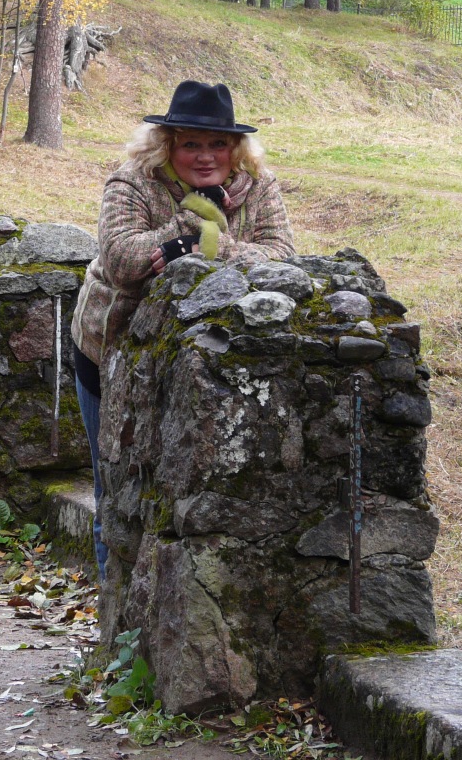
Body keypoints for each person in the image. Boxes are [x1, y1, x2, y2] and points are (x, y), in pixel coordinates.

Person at [70, 80, 295, 578]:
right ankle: (112, 599)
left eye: (218, 143)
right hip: (108, 348)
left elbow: (283, 257)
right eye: (191, 143)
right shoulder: (132, 182)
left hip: (208, 357)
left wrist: (207, 250)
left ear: (236, 148)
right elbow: (123, 260)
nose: (206, 155)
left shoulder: (259, 185)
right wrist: (189, 219)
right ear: (167, 144)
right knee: (114, 480)